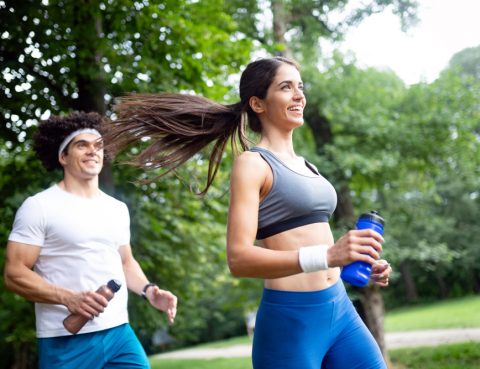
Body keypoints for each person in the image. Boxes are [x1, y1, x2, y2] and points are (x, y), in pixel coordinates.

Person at [102, 56, 392, 369]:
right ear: (258, 103)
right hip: (290, 323)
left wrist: (357, 259)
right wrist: (328, 256)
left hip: (340, 308)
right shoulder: (252, 164)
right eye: (286, 87)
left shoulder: (310, 167)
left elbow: (318, 241)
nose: (299, 95)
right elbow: (238, 258)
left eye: (300, 87)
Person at [3, 111, 177, 369]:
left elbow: (126, 262)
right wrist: (69, 298)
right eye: (81, 145)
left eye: (98, 146)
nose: (92, 151)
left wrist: (149, 291)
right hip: (65, 341)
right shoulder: (39, 207)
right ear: (63, 156)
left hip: (119, 334)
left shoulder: (116, 208)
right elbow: (14, 273)